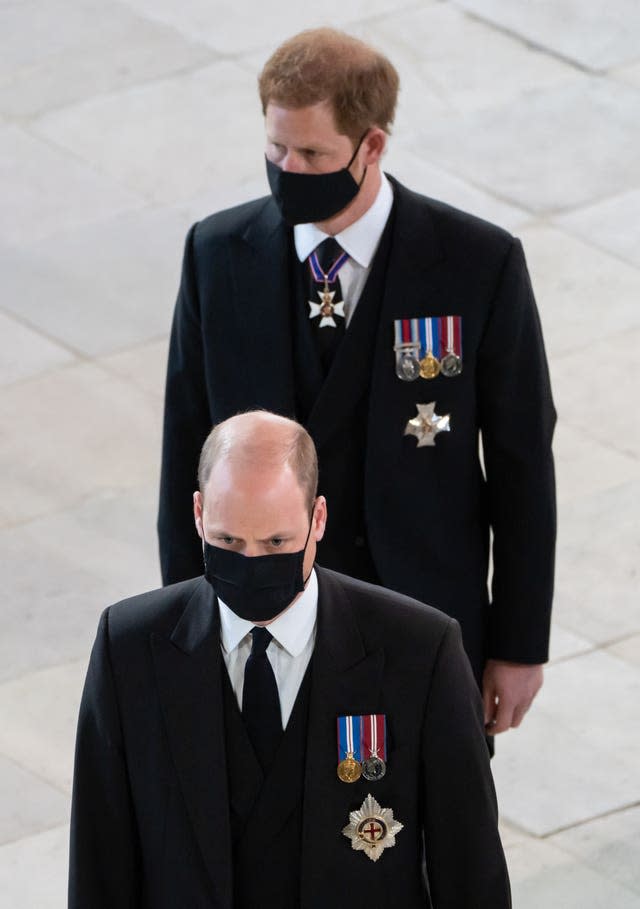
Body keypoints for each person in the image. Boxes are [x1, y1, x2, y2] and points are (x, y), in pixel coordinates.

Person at [158, 28, 556, 736]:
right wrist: (185, 630)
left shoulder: (477, 265)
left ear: (371, 147)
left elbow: (523, 464)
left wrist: (519, 645)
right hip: (262, 627)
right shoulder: (217, 256)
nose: (288, 168)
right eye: (276, 149)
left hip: (424, 626)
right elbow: (185, 452)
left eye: (312, 154)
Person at [70, 411, 511, 908]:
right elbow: (99, 863)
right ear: (198, 514)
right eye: (228, 541)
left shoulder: (420, 651)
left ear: (317, 519)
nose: (252, 563)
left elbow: (471, 871)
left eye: (276, 542)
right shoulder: (129, 648)